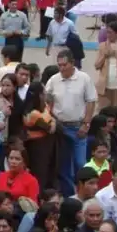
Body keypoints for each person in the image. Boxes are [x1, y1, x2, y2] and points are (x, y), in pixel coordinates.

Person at [45, 49, 97, 196]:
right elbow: (46, 100)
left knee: (80, 163)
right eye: (59, 65)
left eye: (64, 65)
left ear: (72, 63)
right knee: (64, 166)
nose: (61, 68)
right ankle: (70, 195)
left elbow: (91, 101)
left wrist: (86, 124)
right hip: (60, 128)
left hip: (78, 127)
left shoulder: (84, 78)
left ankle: (85, 193)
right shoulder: (54, 80)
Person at [21, 82, 57, 192]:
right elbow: (50, 128)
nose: (45, 95)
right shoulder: (33, 114)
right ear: (39, 95)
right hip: (37, 147)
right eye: (44, 92)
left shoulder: (43, 107)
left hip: (46, 145)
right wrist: (53, 121)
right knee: (39, 175)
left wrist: (53, 121)